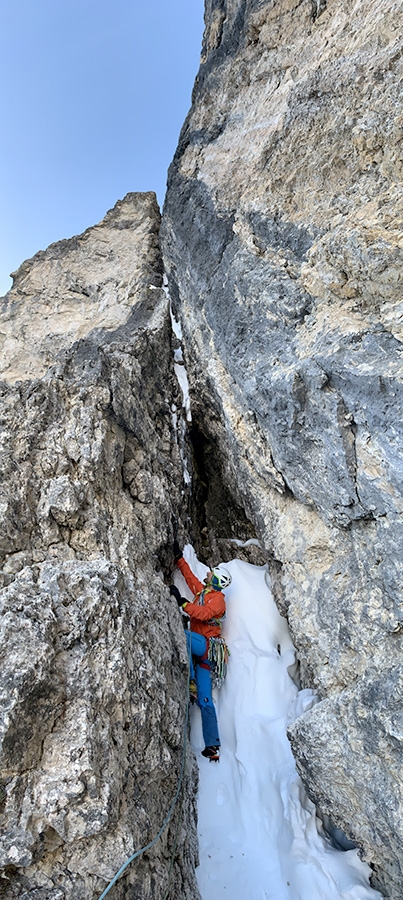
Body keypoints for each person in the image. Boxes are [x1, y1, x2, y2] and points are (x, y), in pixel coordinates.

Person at [170, 542, 232, 761]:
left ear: (215, 581)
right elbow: (190, 578)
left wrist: (182, 603)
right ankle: (212, 746)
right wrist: (179, 559)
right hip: (204, 655)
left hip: (207, 647)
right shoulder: (205, 592)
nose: (207, 574)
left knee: (183, 636)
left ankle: (193, 682)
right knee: (205, 701)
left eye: (211, 574)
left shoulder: (218, 600)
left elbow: (204, 614)